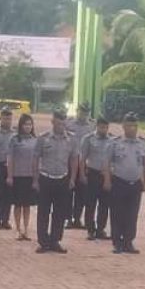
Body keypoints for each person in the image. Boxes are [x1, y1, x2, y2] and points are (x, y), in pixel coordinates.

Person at [103, 112, 145, 254]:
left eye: (134, 126)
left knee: (132, 214)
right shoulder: (115, 142)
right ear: (123, 126)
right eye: (129, 125)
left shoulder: (143, 143)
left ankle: (128, 241)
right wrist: (107, 180)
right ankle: (117, 242)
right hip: (118, 181)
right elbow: (106, 163)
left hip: (135, 183)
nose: (132, 129)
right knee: (117, 213)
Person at [32, 110, 78, 254]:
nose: (60, 126)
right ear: (52, 122)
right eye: (58, 123)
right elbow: (35, 159)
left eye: (63, 123)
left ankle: (55, 240)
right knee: (43, 212)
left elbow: (74, 159)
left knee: (59, 213)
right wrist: (35, 180)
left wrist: (72, 179)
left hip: (62, 179)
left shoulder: (71, 139)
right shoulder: (43, 138)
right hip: (46, 178)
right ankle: (43, 242)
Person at [80, 116, 113, 240]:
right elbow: (82, 158)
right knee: (90, 203)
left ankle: (100, 229)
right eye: (101, 127)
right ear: (97, 126)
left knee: (104, 204)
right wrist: (82, 174)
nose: (104, 130)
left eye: (106, 127)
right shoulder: (88, 139)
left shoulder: (112, 140)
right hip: (92, 174)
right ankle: (90, 229)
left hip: (106, 175)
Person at [6, 114, 38, 241]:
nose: (28, 127)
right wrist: (9, 176)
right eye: (25, 124)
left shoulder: (35, 140)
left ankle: (26, 229)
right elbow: (10, 158)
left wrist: (36, 178)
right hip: (17, 176)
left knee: (27, 205)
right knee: (18, 204)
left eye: (30, 124)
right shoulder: (14, 139)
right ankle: (18, 229)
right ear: (21, 125)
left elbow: (38, 159)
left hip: (30, 176)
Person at [66, 101, 96, 229]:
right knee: (68, 193)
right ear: (77, 111)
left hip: (84, 163)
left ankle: (77, 218)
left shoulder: (92, 126)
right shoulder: (69, 124)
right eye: (81, 111)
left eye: (86, 112)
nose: (83, 114)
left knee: (82, 193)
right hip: (70, 161)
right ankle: (68, 219)